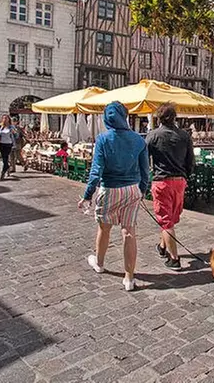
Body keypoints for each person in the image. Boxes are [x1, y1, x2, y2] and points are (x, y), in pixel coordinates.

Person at [78, 102, 149, 291]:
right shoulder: (139, 139)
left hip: (109, 188)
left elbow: (96, 171)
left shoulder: (103, 139)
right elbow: (145, 171)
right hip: (132, 189)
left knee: (104, 228)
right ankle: (129, 278)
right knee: (129, 232)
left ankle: (99, 264)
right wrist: (142, 191)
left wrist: (87, 195)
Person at [146, 103, 195, 270]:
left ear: (159, 118)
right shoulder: (184, 136)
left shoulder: (152, 136)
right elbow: (190, 162)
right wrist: (185, 176)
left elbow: (144, 160)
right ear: (175, 118)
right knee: (171, 218)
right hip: (180, 181)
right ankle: (162, 246)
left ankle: (174, 259)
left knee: (166, 221)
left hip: (162, 181)